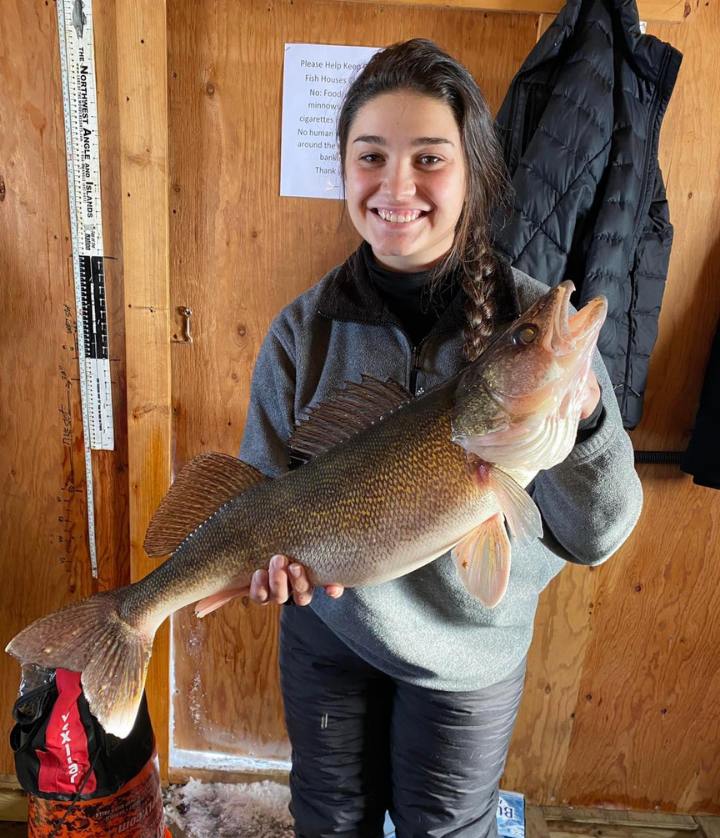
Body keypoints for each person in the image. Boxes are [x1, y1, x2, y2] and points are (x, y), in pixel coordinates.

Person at [239, 38, 642, 838]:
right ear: (345, 171)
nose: (397, 186)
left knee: (446, 829)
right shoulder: (299, 332)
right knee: (329, 822)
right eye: (370, 156)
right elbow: (257, 499)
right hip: (330, 634)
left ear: (473, 174)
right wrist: (267, 569)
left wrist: (587, 417)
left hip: (469, 660)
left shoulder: (533, 329)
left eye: (430, 158)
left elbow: (597, 535)